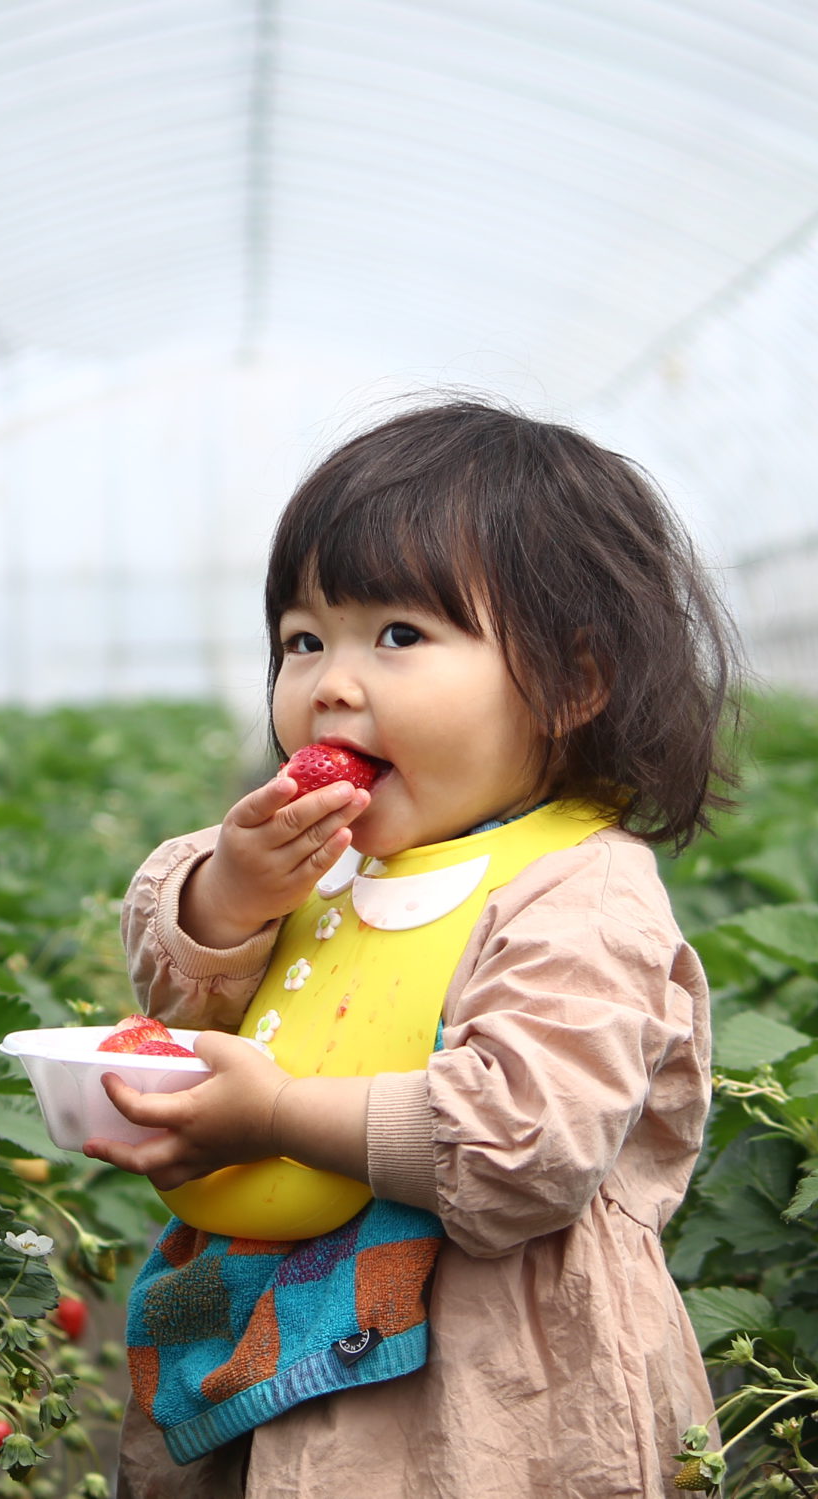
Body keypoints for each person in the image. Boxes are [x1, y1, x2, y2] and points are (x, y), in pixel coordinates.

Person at [86, 398, 736, 1498]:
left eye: (398, 636)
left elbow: (526, 1141)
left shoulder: (576, 893)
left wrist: (276, 1115)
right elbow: (185, 994)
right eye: (303, 640)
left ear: (572, 682)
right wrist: (228, 897)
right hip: (262, 1333)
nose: (331, 684)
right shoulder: (321, 861)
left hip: (480, 1384)